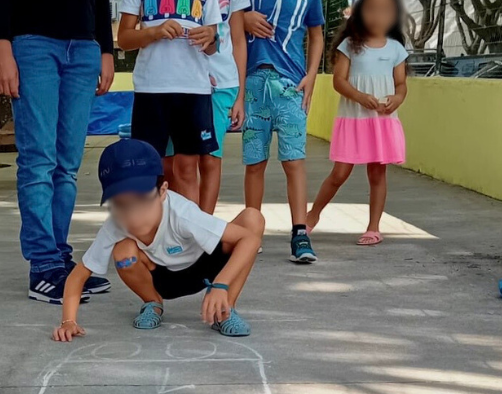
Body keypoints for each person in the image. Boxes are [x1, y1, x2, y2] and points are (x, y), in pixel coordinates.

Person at [52, 139, 264, 342]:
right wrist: (68, 321)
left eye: (141, 201)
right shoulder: (116, 224)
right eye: (120, 204)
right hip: (162, 279)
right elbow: (77, 276)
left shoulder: (183, 213)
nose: (132, 214)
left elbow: (249, 240)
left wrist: (221, 285)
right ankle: (152, 303)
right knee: (123, 251)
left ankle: (225, 311)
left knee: (252, 219)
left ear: (163, 191)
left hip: (205, 267)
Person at [0, 0, 116, 304]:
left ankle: (58, 256)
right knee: (39, 161)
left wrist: (107, 50)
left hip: (84, 47)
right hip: (33, 43)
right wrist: (1, 46)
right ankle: (43, 265)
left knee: (67, 165)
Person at [306, 0, 408, 246]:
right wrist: (360, 97)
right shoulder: (349, 46)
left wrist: (397, 98)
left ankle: (373, 227)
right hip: (354, 120)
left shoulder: (395, 49)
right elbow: (339, 81)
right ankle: (312, 215)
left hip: (381, 122)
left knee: (377, 173)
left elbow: (401, 84)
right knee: (339, 173)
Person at [241, 0, 324, 263]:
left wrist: (312, 76)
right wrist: (243, 19)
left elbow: (316, 34)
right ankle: (251, 230)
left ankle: (300, 233)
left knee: (294, 162)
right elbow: (226, 23)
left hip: (292, 87)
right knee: (254, 163)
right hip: (252, 83)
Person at [118, 0, 221, 205]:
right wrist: (154, 32)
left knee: (187, 168)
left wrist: (211, 37)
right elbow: (123, 39)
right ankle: (148, 231)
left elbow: (214, 45)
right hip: (151, 87)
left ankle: (189, 233)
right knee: (148, 167)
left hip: (193, 88)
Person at [163, 0, 250, 215]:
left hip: (222, 84)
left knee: (209, 158)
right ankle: (177, 223)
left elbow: (238, 40)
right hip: (179, 80)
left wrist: (240, 96)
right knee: (173, 162)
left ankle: (204, 228)